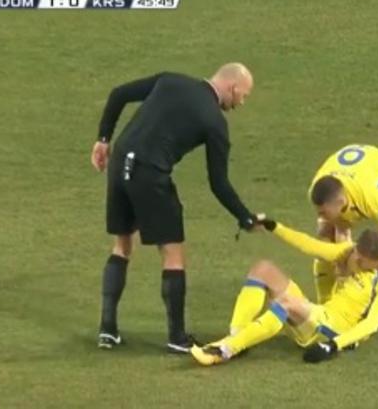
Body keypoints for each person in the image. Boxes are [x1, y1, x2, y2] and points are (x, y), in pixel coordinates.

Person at [90, 63, 260, 353]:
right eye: (243, 95)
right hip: (150, 174)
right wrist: (245, 217)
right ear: (232, 87)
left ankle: (107, 330)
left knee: (122, 245)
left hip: (119, 162)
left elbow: (118, 94)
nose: (241, 103)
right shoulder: (214, 122)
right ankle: (177, 338)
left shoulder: (170, 80)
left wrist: (103, 140)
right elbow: (218, 183)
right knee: (173, 253)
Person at [190, 218, 378, 365]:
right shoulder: (352, 252)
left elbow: (371, 324)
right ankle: (237, 337)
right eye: (357, 256)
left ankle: (226, 350)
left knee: (286, 303)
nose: (357, 262)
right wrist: (275, 227)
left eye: (363, 262)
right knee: (263, 269)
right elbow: (310, 246)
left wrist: (333, 346)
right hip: (321, 315)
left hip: (336, 331)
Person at [309, 144, 378, 341]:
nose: (320, 215)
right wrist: (344, 268)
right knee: (324, 236)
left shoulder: (373, 201)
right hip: (351, 177)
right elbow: (341, 233)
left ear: (340, 203)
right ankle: (327, 305)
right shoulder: (318, 189)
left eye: (323, 212)